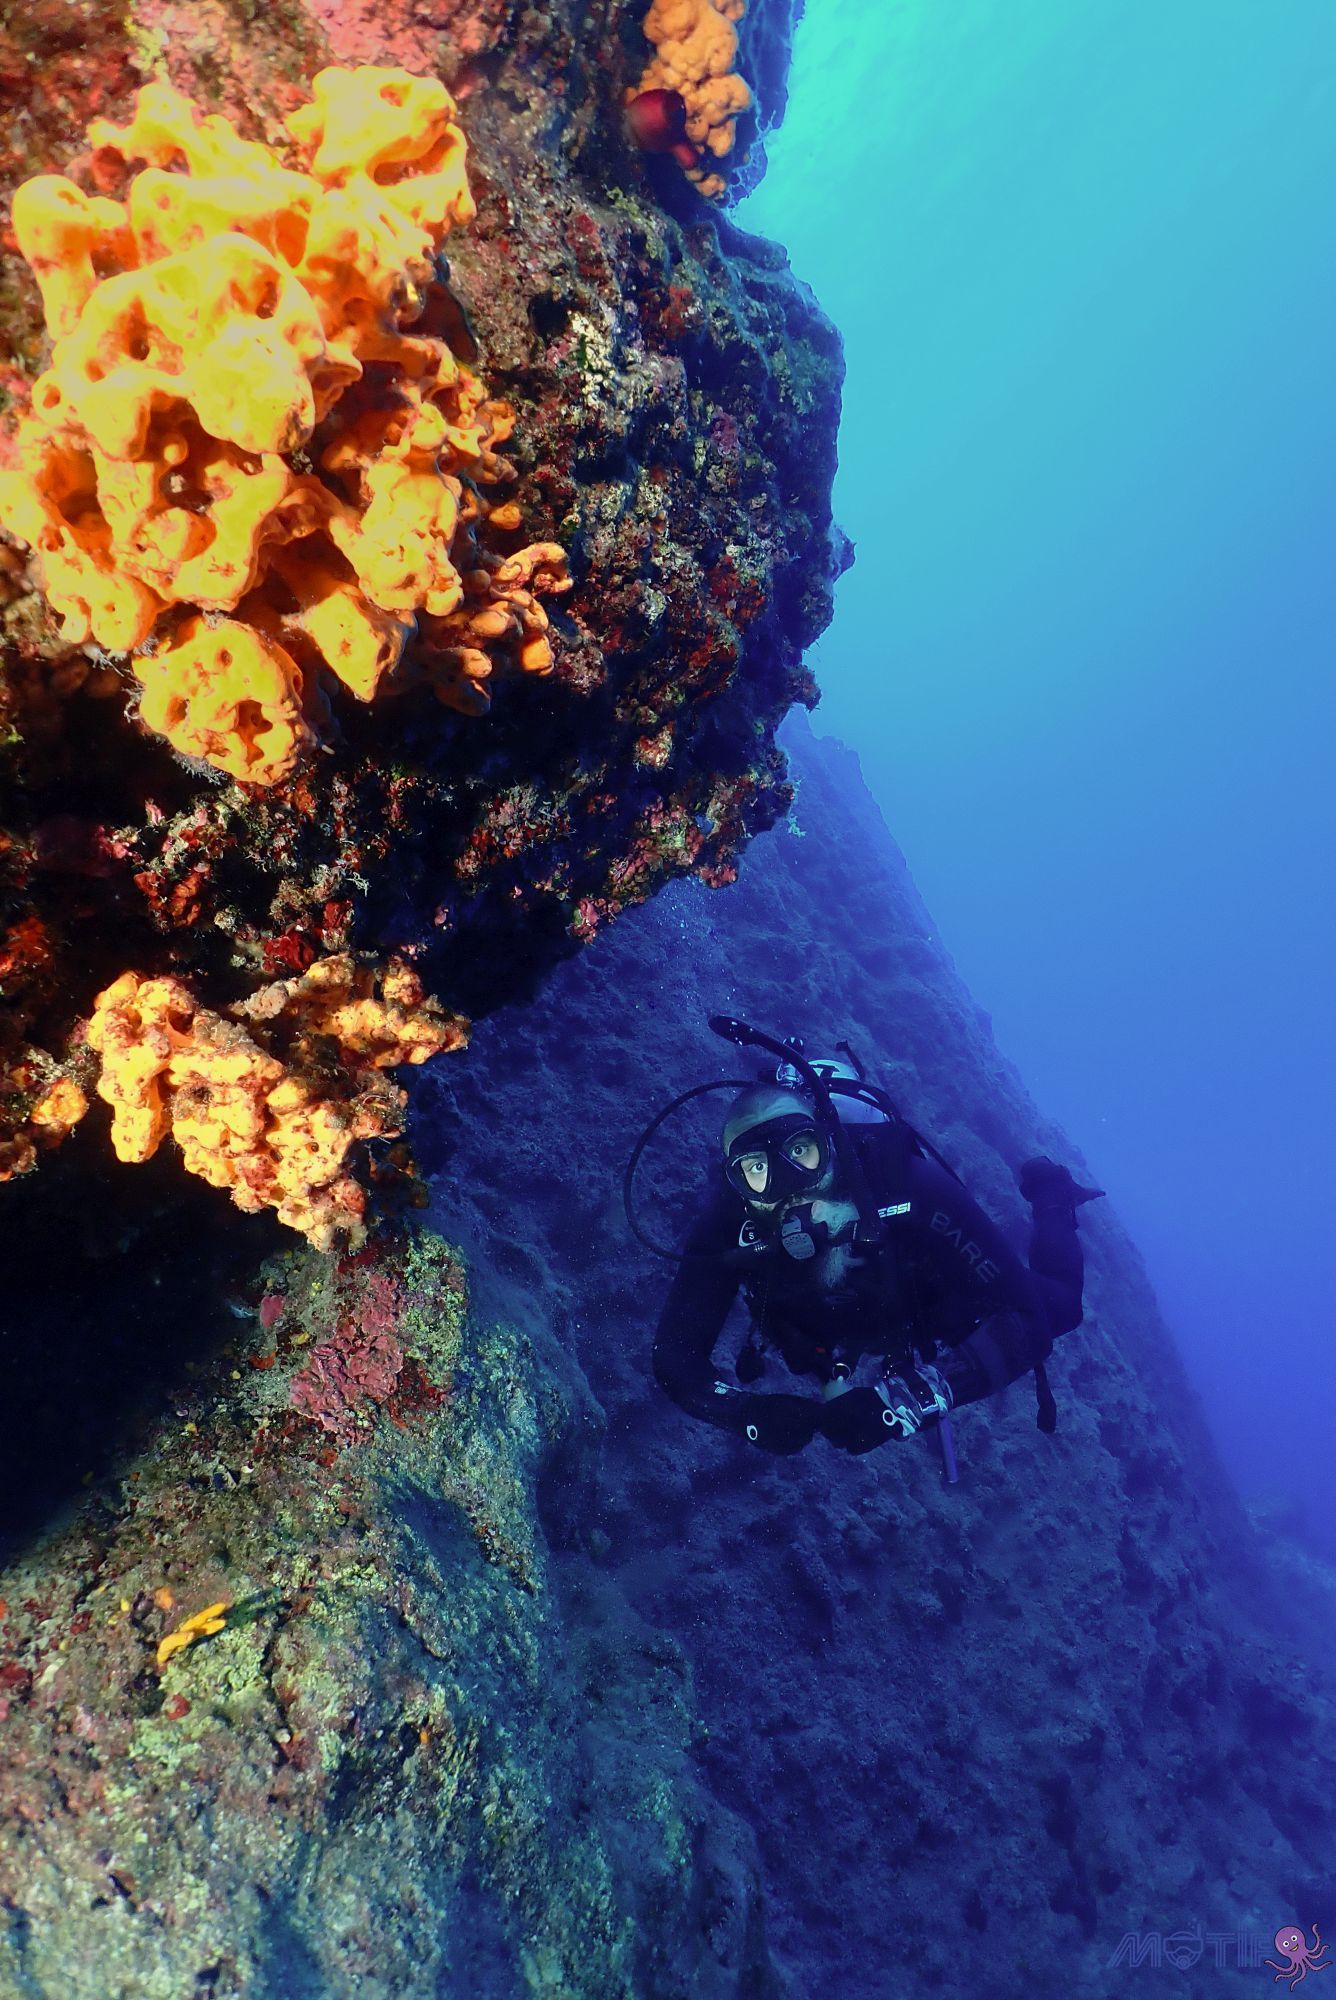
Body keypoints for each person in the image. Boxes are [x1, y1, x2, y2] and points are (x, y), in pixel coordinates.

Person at [651, 1048, 1104, 1457]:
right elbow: (675, 1358)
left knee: (1062, 1307)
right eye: (757, 1168)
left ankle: (1052, 1193)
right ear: (738, 1187)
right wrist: (745, 1414)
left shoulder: (908, 1185)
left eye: (801, 1150)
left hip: (920, 1301)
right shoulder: (729, 1226)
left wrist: (903, 1402)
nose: (789, 1186)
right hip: (824, 1325)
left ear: (830, 1145)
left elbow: (1028, 1324)